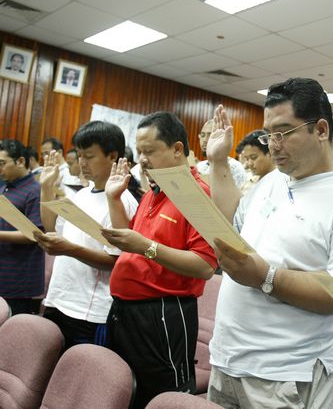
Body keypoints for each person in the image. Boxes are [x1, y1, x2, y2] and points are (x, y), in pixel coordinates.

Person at [205, 78, 333, 408]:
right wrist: (217, 161)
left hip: (288, 373)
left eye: (283, 132)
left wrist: (265, 277)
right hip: (228, 360)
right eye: (268, 134)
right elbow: (233, 224)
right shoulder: (273, 181)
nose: (273, 145)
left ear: (321, 130)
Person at [102, 111, 218, 408]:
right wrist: (114, 199)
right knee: (123, 394)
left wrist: (147, 248)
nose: (142, 159)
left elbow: (205, 266)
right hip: (126, 311)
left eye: (150, 151)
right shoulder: (156, 190)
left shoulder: (195, 193)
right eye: (139, 151)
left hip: (163, 313)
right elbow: (130, 241)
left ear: (177, 149)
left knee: (161, 398)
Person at [35, 121, 138, 351]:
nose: (82, 162)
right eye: (80, 155)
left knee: (80, 369)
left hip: (89, 312)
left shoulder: (122, 202)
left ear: (113, 156)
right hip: (60, 298)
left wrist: (70, 249)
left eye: (89, 156)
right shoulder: (82, 194)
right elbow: (51, 227)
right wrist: (46, 188)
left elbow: (116, 261)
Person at [0, 139, 44, 315]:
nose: (0, 168)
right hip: (4, 271)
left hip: (18, 278)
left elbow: (35, 234)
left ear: (20, 161)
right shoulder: (6, 187)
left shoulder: (35, 191)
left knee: (14, 327)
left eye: (2, 163)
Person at [196, 118, 246, 188]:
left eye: (210, 135)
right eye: (202, 135)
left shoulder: (234, 168)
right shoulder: (199, 166)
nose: (204, 140)